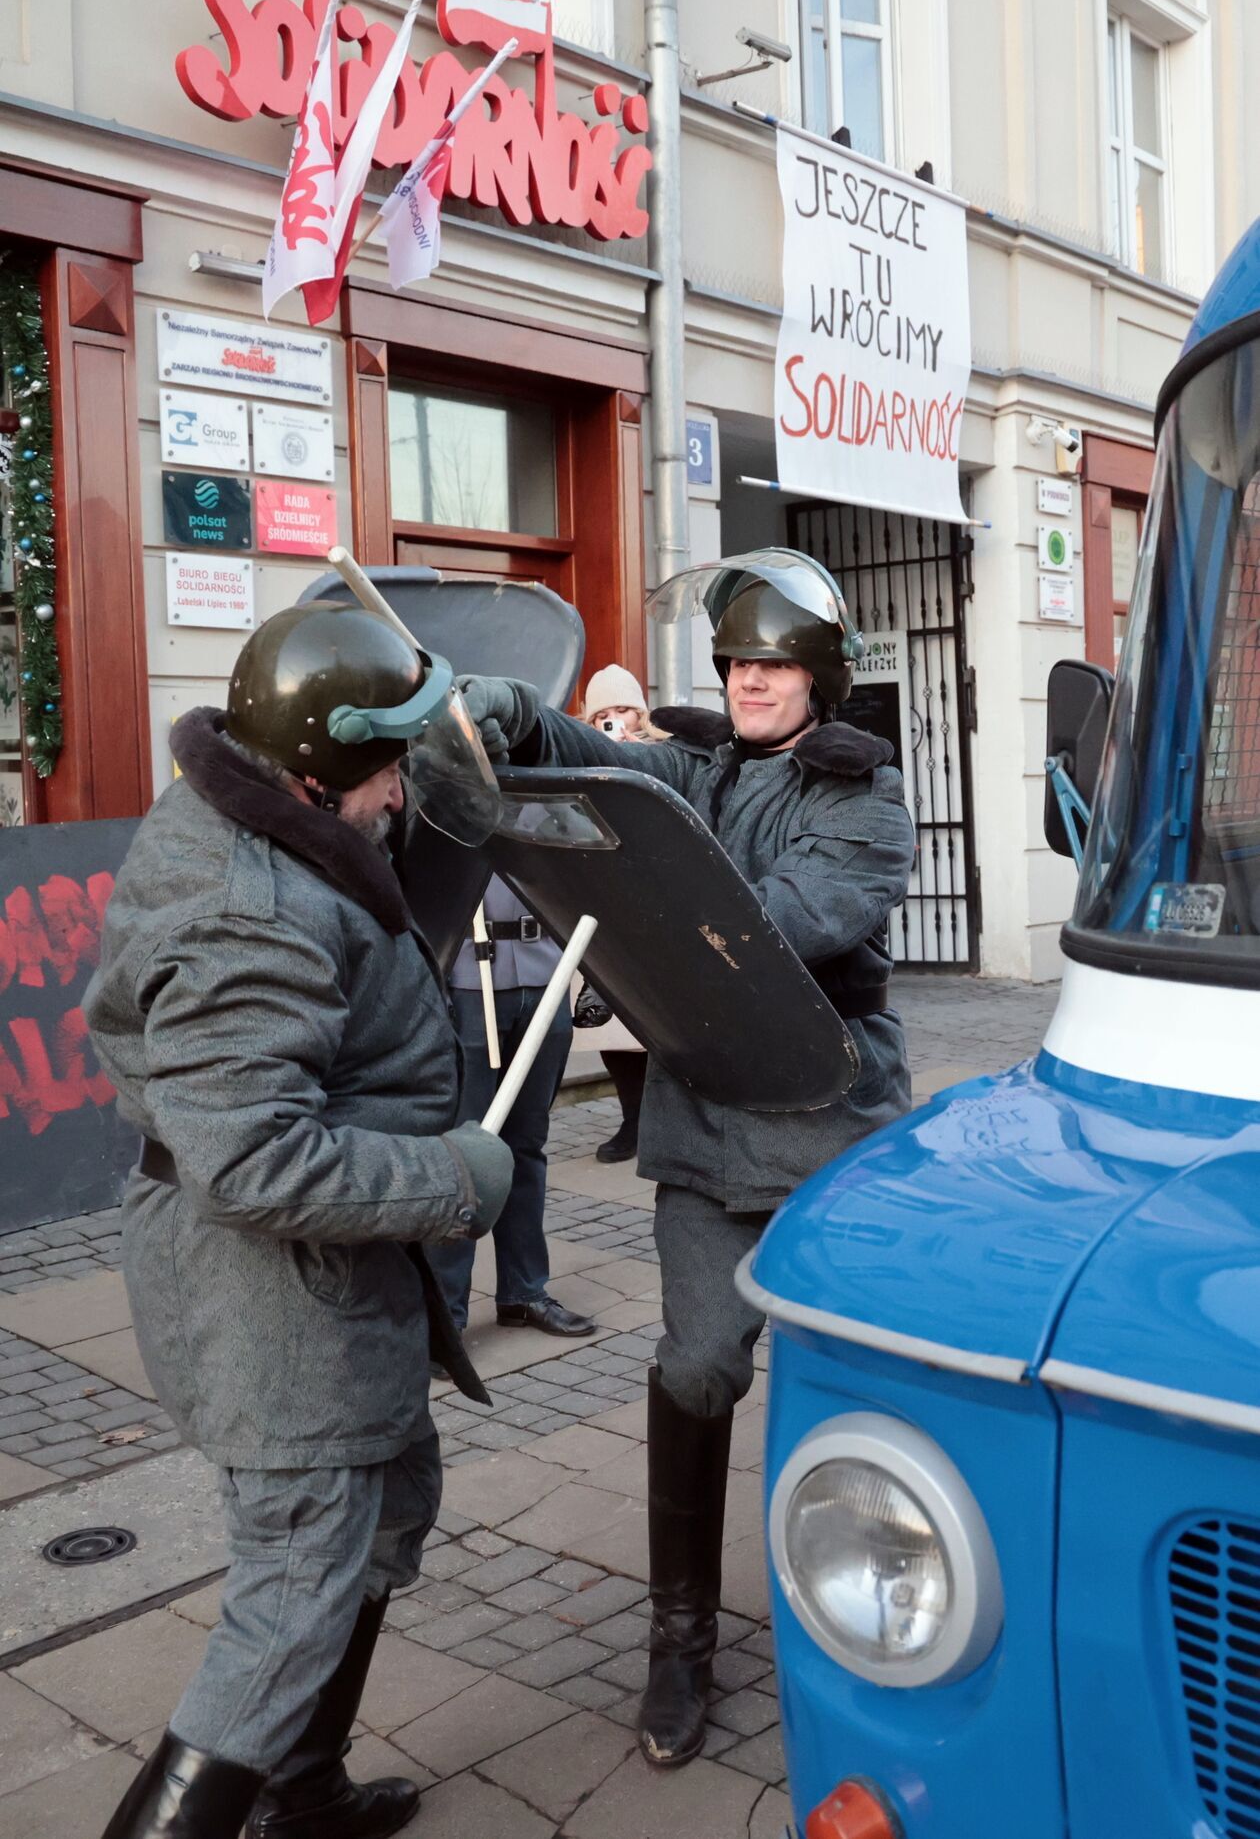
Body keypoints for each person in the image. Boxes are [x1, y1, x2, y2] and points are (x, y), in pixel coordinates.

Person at [458, 550, 915, 1768]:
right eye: (737, 663)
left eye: (773, 663)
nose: (751, 681)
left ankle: (885, 1613)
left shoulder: (863, 801)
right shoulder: (698, 769)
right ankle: (679, 1646)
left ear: (819, 676)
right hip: (708, 1137)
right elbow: (603, 770)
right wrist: (516, 714)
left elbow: (782, 929)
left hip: (833, 1138)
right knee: (700, 1365)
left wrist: (659, 899)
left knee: (852, 1396)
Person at [85, 602, 515, 1839]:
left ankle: (298, 1790)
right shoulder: (249, 903)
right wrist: (457, 1178)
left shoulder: (252, 791)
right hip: (274, 1300)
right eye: (387, 768)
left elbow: (412, 790)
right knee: (287, 1603)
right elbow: (255, 1159)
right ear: (322, 768)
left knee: (382, 1512)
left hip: (320, 1285)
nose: (399, 794)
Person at [428, 873, 595, 1339]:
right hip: (467, 980)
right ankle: (446, 1311)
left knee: (526, 1145)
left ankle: (524, 1291)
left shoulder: (552, 803)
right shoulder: (449, 803)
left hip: (548, 974)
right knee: (464, 1153)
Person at [576, 666, 658, 1163]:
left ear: (639, 710)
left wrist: (635, 759)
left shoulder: (664, 756)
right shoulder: (582, 759)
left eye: (621, 709)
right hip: (601, 903)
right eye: (601, 715)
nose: (613, 720)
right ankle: (632, 1119)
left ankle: (658, 1118)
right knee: (607, 1019)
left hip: (652, 906)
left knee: (656, 1020)